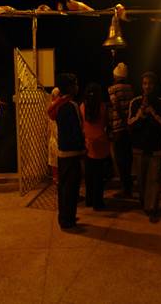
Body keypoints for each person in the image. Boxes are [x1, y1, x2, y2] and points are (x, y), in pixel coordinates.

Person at [128, 71, 161, 222]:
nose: (147, 87)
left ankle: (152, 208)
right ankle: (144, 203)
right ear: (141, 85)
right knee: (142, 179)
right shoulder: (135, 102)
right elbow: (130, 125)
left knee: (155, 180)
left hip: (156, 148)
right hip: (139, 147)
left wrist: (152, 113)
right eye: (145, 83)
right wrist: (140, 114)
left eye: (150, 83)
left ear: (155, 85)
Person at [48, 73, 85, 230]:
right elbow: (78, 129)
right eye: (75, 84)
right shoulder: (72, 105)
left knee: (63, 187)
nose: (77, 87)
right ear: (70, 87)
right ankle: (68, 221)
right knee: (71, 188)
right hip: (73, 152)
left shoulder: (59, 105)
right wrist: (83, 148)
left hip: (62, 152)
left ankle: (64, 217)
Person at [80, 83, 110, 210]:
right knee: (99, 176)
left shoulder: (82, 107)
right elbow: (106, 124)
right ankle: (98, 202)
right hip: (101, 144)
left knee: (89, 175)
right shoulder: (103, 107)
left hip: (87, 144)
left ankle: (89, 199)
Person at [108, 62, 133, 198]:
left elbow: (115, 106)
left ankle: (125, 188)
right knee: (128, 158)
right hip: (129, 128)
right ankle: (128, 186)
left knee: (119, 159)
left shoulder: (113, 89)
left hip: (118, 128)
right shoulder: (130, 88)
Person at [47, 87, 60, 184]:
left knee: (53, 161)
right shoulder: (57, 107)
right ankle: (57, 179)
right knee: (57, 161)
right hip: (57, 138)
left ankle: (55, 179)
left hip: (53, 138)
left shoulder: (50, 107)